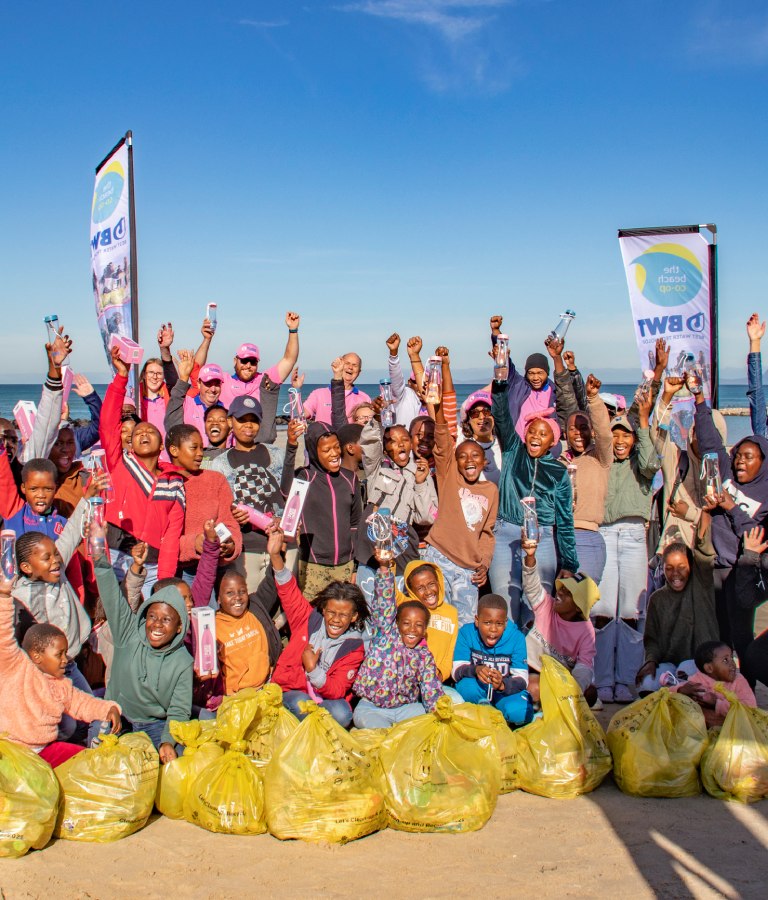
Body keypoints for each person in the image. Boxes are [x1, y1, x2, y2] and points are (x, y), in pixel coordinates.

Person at [0, 574, 120, 769]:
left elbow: (82, 702)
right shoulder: (16, 666)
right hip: (10, 753)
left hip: (44, 751)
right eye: (59, 654)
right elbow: (4, 636)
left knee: (91, 763)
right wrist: (4, 596)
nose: (65, 659)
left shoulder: (61, 684)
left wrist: (108, 709)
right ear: (37, 656)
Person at [490, 372, 578, 627]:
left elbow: (565, 520)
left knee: (536, 611)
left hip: (543, 541)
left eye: (543, 434)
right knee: (504, 607)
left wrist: (569, 563)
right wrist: (499, 381)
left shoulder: (559, 472)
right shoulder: (513, 450)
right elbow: (502, 414)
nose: (535, 437)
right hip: (507, 534)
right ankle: (505, 663)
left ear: (552, 441)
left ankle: (532, 664)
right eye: (532, 432)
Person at [694, 380, 768, 682]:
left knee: (741, 636)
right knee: (720, 634)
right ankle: (727, 692)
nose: (740, 461)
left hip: (744, 573)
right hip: (717, 566)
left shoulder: (765, 492)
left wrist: (731, 507)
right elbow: (710, 441)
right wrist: (700, 400)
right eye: (738, 455)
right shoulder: (725, 472)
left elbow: (758, 535)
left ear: (762, 462)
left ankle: (747, 694)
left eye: (748, 457)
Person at [92, 547, 192, 763]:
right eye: (152, 616)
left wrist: (167, 741)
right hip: (115, 715)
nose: (156, 624)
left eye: (166, 620)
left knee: (176, 760)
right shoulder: (127, 633)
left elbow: (179, 710)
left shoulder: (183, 661)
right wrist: (98, 550)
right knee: (101, 761)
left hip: (154, 725)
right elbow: (110, 591)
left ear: (178, 627)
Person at [100, 347, 186, 589]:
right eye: (138, 433)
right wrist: (121, 377)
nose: (144, 433)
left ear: (162, 446)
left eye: (151, 431)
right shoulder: (120, 462)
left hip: (153, 568)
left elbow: (172, 536)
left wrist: (164, 579)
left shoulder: (174, 482)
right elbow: (107, 425)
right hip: (116, 558)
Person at [422, 353, 498, 625]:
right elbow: (443, 439)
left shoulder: (490, 490)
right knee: (434, 622)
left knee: (465, 625)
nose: (468, 461)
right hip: (439, 556)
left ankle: (460, 668)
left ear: (485, 461)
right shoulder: (448, 477)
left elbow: (487, 534)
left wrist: (485, 563)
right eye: (463, 456)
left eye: (475, 457)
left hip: (469, 569)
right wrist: (439, 406)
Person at [592, 391, 658, 704]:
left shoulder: (641, 466)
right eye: (615, 434)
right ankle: (603, 679)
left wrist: (642, 423)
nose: (619, 440)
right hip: (604, 533)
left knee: (631, 613)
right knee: (604, 612)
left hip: (633, 536)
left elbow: (651, 460)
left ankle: (626, 680)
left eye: (626, 435)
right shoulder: (603, 462)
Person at [268, 527, 368, 727]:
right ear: (323, 609)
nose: (336, 620)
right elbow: (288, 591)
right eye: (331, 613)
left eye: (343, 615)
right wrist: (275, 555)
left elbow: (337, 689)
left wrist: (312, 669)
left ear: (354, 616)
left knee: (342, 713)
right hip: (294, 692)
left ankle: (314, 730)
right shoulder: (307, 619)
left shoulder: (354, 647)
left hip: (325, 699)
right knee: (301, 704)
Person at [210, 389, 295, 592]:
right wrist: (231, 517)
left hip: (283, 543)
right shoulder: (219, 464)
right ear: (230, 422)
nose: (248, 425)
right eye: (241, 419)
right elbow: (216, 511)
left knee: (286, 605)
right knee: (253, 602)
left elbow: (290, 493)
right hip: (248, 549)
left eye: (254, 420)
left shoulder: (276, 454)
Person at [352, 551, 444, 728]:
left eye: (418, 625)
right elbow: (385, 601)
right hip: (372, 707)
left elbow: (430, 687)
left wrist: (439, 711)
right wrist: (385, 568)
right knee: (379, 733)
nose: (412, 629)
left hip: (405, 709)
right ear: (397, 624)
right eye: (406, 623)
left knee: (425, 723)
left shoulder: (424, 656)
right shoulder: (386, 635)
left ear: (425, 630)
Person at [354, 405, 436, 603]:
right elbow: (369, 443)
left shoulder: (421, 473)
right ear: (385, 448)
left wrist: (420, 483)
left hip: (401, 547)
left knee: (398, 600)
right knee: (369, 600)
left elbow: (425, 516)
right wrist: (376, 421)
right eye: (393, 441)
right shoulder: (377, 467)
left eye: (405, 440)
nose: (400, 445)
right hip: (371, 546)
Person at [281, 420, 361, 599]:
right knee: (313, 620)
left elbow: (355, 524)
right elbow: (285, 492)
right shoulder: (304, 477)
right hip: (313, 565)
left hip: (346, 566)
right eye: (326, 450)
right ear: (314, 453)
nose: (334, 454)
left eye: (336, 447)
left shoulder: (350, 479)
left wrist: (355, 566)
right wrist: (291, 445)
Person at [635, 542, 720, 694]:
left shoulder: (701, 587)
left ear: (692, 567)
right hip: (670, 666)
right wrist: (651, 661)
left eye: (682, 567)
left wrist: (703, 518)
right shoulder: (657, 599)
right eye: (669, 568)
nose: (675, 573)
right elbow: (651, 640)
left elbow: (704, 551)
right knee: (646, 684)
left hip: (698, 665)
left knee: (685, 670)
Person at [522, 537, 598, 705]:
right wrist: (530, 557)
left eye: (568, 593)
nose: (559, 593)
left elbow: (585, 667)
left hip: (561, 680)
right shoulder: (547, 605)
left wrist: (572, 690)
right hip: (533, 668)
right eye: (562, 588)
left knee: (590, 693)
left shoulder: (586, 630)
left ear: (579, 607)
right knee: (534, 688)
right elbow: (532, 586)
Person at [165, 424, 241, 579]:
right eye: (194, 448)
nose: (200, 454)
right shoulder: (163, 483)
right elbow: (161, 536)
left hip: (216, 566)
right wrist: (194, 543)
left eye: (202, 448)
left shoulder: (215, 479)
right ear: (174, 450)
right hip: (180, 570)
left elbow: (228, 521)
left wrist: (231, 544)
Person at [561, 374, 613, 583]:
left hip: (586, 536)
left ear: (591, 432)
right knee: (558, 602)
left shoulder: (600, 458)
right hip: (559, 537)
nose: (578, 434)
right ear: (565, 434)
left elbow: (605, 435)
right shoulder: (559, 462)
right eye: (572, 429)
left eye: (583, 428)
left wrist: (593, 399)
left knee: (580, 602)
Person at [452, 593, 533, 725]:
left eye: (499, 623)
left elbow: (522, 678)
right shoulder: (466, 632)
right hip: (478, 688)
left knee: (521, 712)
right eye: (487, 623)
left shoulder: (517, 638)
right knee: (467, 688)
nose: (493, 629)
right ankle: (481, 717)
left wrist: (502, 685)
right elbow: (456, 671)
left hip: (504, 691)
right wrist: (476, 670)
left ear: (505, 623)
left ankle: (500, 719)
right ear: (477, 621)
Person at [215, 312, 301, 409]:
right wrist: (207, 339)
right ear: (235, 361)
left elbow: (289, 360)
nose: (248, 365)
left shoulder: (264, 380)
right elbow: (199, 377)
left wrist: (293, 330)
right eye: (244, 360)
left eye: (253, 362)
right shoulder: (223, 381)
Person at [396, 560, 458, 683]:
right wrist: (387, 564)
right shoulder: (408, 607)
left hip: (436, 681)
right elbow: (388, 590)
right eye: (420, 588)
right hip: (408, 680)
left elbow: (450, 651)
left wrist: (440, 674)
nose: (428, 591)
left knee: (456, 701)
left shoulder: (451, 612)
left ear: (439, 582)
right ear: (411, 591)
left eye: (431, 584)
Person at [671, 641, 756, 728]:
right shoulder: (697, 680)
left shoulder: (738, 681)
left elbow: (750, 708)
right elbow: (670, 695)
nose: (733, 664)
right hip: (702, 731)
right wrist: (681, 690)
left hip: (733, 730)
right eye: (725, 660)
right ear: (709, 668)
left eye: (732, 658)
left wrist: (716, 704)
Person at [304, 353, 372, 426]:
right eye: (347, 363)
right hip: (325, 436)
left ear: (359, 372)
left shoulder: (365, 398)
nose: (350, 367)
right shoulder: (318, 394)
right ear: (340, 365)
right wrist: (296, 389)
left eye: (355, 365)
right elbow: (302, 415)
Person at [460, 391, 501, 485]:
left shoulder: (505, 445)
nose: (482, 417)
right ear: (468, 420)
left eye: (487, 411)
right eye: (475, 413)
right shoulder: (462, 446)